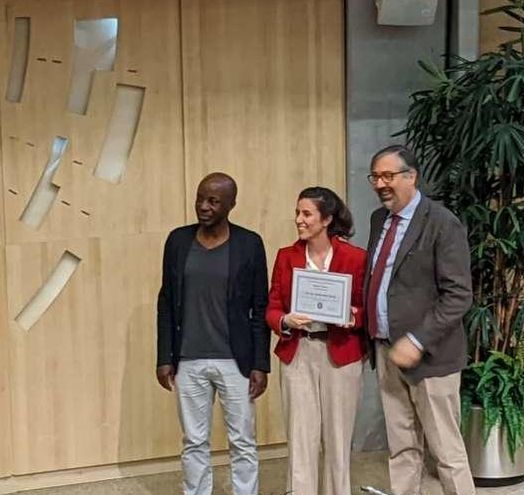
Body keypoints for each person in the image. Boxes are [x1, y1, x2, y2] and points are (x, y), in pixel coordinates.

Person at [364, 145, 475, 495]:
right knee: (401, 448)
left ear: (411, 176)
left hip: (431, 357)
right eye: (375, 177)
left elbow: (459, 295)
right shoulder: (378, 220)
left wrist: (417, 339)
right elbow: (384, 281)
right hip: (386, 349)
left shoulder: (442, 223)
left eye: (388, 176)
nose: (381, 183)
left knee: (447, 452)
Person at [156, 172, 270, 495]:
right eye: (200, 198)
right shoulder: (178, 241)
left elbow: (260, 306)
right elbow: (166, 301)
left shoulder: (249, 243)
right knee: (193, 441)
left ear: (231, 205)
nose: (203, 206)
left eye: (213, 201)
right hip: (188, 359)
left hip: (237, 360)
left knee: (243, 441)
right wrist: (164, 357)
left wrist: (260, 363)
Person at [265, 186, 366, 495]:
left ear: (326, 219)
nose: (299, 219)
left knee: (337, 438)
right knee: (300, 437)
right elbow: (271, 307)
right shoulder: (287, 256)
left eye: (306, 214)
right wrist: (285, 320)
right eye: (298, 212)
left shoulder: (356, 257)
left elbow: (368, 308)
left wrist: (353, 317)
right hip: (299, 352)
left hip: (342, 354)